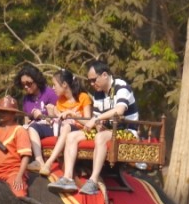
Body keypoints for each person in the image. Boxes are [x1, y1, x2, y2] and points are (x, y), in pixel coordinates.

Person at [49, 60, 138, 196]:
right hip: (106, 131)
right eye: (89, 81)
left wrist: (96, 120)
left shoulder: (121, 86)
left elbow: (119, 110)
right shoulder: (98, 93)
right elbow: (96, 119)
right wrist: (91, 121)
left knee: (100, 137)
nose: (91, 84)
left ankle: (93, 180)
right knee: (72, 136)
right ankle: (67, 178)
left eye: (93, 80)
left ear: (104, 75)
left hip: (126, 131)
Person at [38, 68, 92, 177]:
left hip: (80, 130)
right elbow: (58, 118)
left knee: (67, 126)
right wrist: (52, 113)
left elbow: (88, 121)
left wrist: (72, 115)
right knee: (64, 126)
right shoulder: (60, 100)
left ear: (64, 84)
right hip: (63, 129)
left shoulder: (83, 97)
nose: (53, 88)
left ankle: (49, 162)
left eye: (55, 85)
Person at [16, 63, 57, 171]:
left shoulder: (50, 93)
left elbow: (57, 116)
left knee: (33, 127)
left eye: (28, 83)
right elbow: (26, 119)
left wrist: (43, 116)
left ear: (36, 80)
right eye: (23, 84)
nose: (25, 86)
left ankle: (39, 161)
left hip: (51, 126)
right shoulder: (26, 99)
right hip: (34, 128)